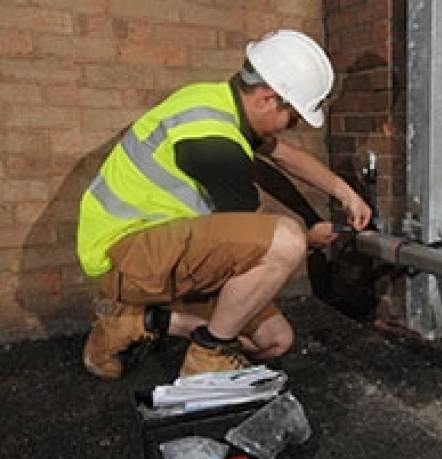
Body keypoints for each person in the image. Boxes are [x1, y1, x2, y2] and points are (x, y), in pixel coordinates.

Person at [76, 29, 371, 379]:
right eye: (292, 116)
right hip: (122, 255)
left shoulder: (217, 102)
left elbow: (284, 155)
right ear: (266, 99)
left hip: (167, 250)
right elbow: (262, 244)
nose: (290, 126)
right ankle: (208, 353)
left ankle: (133, 322)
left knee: (275, 341)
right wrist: (311, 239)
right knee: (287, 239)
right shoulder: (215, 144)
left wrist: (345, 192)